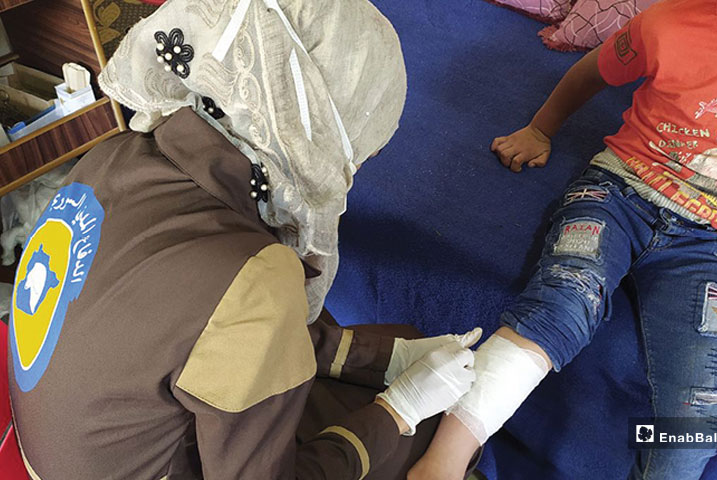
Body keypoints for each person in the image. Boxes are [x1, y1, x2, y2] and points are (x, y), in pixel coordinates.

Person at [8, 0, 483, 479]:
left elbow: (204, 327)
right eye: (361, 150)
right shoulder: (254, 275)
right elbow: (235, 314)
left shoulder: (112, 156)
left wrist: (389, 360)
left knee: (389, 346)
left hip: (75, 438)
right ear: (320, 135)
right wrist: (401, 410)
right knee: (432, 428)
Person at [410, 0, 717, 479]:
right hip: (618, 194)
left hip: (712, 239)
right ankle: (441, 464)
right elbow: (591, 71)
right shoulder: (667, 24)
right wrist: (539, 128)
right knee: (564, 301)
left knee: (707, 393)